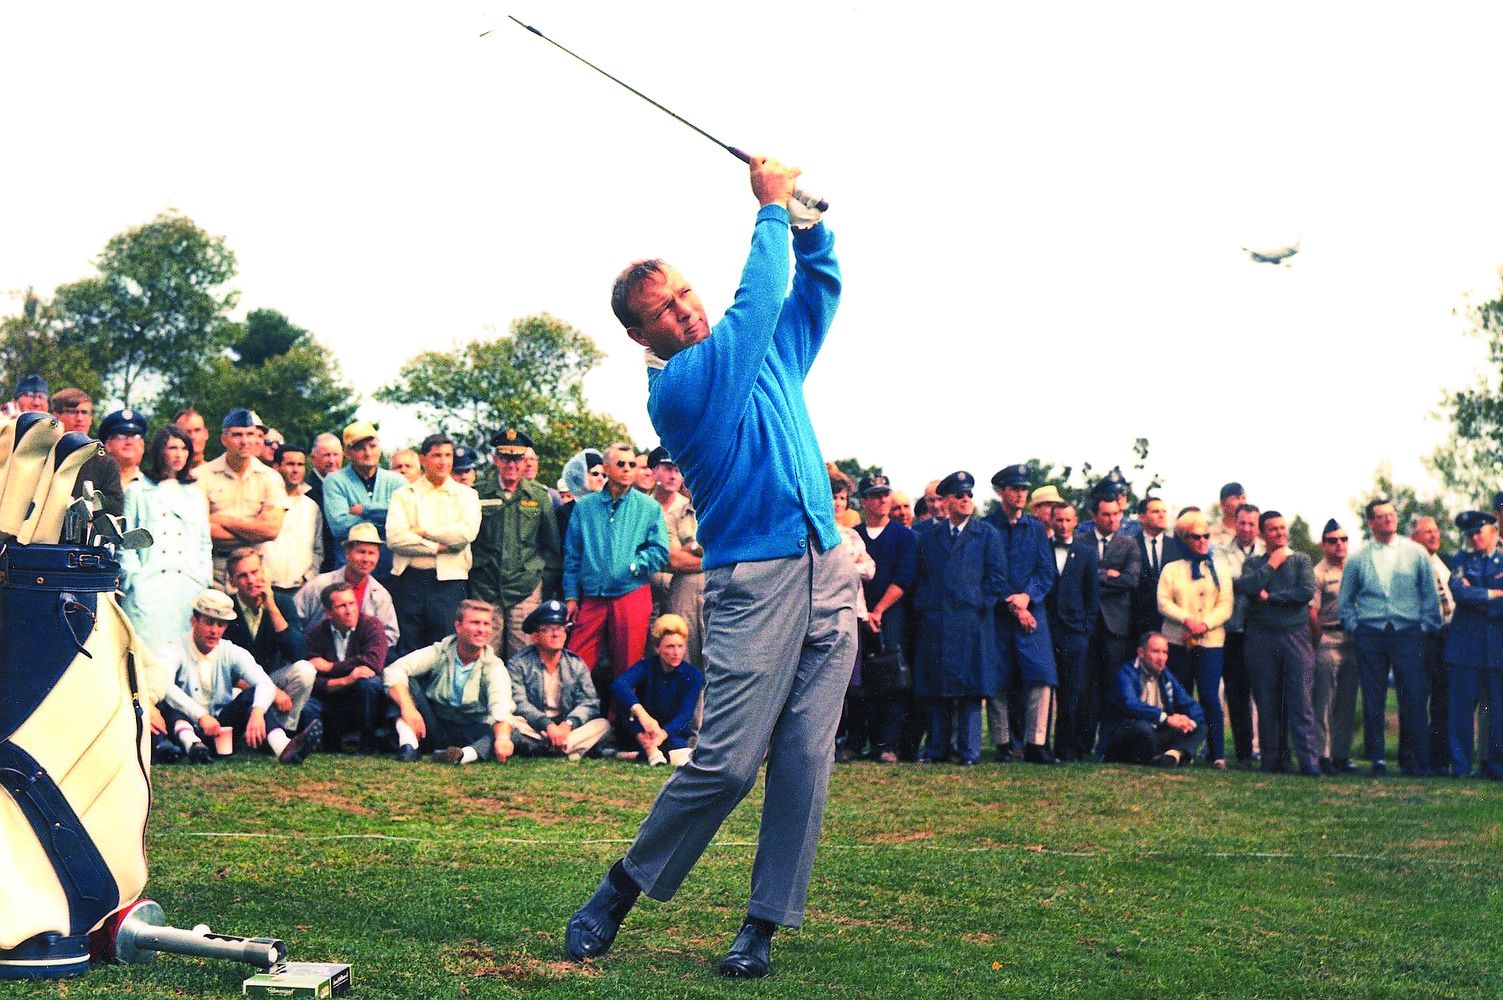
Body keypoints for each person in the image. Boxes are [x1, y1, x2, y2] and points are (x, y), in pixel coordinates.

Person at [565, 156, 853, 979]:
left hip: (827, 566)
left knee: (803, 758)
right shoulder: (685, 385)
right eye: (663, 310)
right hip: (752, 583)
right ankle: (622, 885)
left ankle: (761, 924)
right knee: (725, 762)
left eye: (684, 294)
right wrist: (769, 211)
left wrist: (812, 227)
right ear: (639, 334)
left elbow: (813, 294)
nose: (683, 312)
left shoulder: (760, 351)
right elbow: (759, 300)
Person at [562, 441, 669, 717]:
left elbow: (660, 551)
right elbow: (572, 555)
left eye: (632, 464)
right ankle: (570, 721)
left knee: (629, 664)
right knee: (576, 660)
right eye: (620, 464)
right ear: (606, 469)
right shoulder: (584, 508)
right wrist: (572, 596)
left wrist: (633, 565)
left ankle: (621, 729)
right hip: (593, 596)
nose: (627, 469)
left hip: (631, 593)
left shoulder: (648, 508)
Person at [1338, 498, 1444, 776]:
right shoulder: (1359, 558)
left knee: (1413, 696)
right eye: (1381, 516)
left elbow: (1429, 596)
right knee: (1373, 697)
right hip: (1371, 633)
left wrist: (1424, 627)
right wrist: (1355, 628)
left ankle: (1413, 760)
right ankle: (1377, 758)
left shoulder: (1415, 553)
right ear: (1371, 522)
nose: (1388, 520)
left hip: (1408, 632)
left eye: (1392, 515)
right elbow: (1346, 600)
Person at [156, 590, 321, 765]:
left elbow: (263, 681)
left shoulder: (231, 651)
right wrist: (200, 716)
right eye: (209, 622)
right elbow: (165, 685)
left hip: (220, 727)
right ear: (194, 620)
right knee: (171, 706)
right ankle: (194, 746)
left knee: (251, 696)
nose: (214, 630)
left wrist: (258, 711)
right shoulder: (174, 649)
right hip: (185, 726)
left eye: (221, 625)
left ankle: (283, 746)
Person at [912, 472, 1005, 766]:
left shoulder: (986, 534)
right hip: (938, 622)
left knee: (970, 689)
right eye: (959, 496)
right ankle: (937, 748)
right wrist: (928, 607)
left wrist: (978, 604)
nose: (966, 500)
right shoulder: (929, 535)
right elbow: (921, 577)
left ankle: (969, 751)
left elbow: (997, 578)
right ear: (947, 501)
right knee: (937, 687)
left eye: (969, 495)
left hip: (971, 623)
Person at [1235, 511, 1322, 777]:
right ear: (1262, 534)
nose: (1280, 533)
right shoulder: (1254, 564)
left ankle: (1309, 761)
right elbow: (1247, 587)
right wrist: (1272, 564)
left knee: (1299, 701)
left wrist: (1270, 597)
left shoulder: (1302, 560)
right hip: (1261, 638)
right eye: (1273, 529)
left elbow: (1304, 592)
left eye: (1282, 528)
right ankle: (1272, 760)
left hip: (1295, 636)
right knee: (1266, 700)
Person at [983, 464, 1059, 765]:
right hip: (1001, 615)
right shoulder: (988, 527)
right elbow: (988, 571)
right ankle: (1002, 743)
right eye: (1014, 489)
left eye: (1024, 489)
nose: (1020, 494)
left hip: (1032, 614)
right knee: (998, 678)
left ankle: (1036, 742)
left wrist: (1027, 598)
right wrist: (1012, 604)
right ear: (1002, 492)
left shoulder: (1036, 528)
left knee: (1041, 676)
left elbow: (1045, 570)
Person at [384, 599, 515, 764]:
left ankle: (462, 756)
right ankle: (409, 746)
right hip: (434, 725)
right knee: (403, 686)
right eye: (475, 623)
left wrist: (503, 738)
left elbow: (501, 706)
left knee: (508, 729)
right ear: (458, 626)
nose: (482, 630)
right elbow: (395, 669)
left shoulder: (494, 666)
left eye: (486, 624)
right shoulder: (441, 651)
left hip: (470, 729)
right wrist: (408, 708)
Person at [121, 424, 213, 659]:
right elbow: (127, 541)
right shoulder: (139, 491)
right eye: (173, 447)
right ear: (160, 450)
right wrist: (135, 580)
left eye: (184, 448)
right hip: (150, 587)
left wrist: (203, 578)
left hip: (188, 587)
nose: (179, 454)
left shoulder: (195, 494)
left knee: (184, 657)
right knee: (148, 658)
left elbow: (204, 542)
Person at [470, 427, 563, 660]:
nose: (511, 465)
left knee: (523, 652)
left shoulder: (539, 496)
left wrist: (539, 578)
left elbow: (552, 546)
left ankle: (519, 697)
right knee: (484, 652)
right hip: (486, 586)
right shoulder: (476, 494)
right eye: (505, 458)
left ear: (525, 461)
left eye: (517, 458)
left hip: (525, 587)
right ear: (495, 460)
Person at [386, 433, 482, 655]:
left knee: (445, 647)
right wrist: (436, 547)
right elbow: (396, 538)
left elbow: (464, 534)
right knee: (408, 647)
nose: (443, 461)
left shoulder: (467, 495)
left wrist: (423, 532)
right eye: (437, 455)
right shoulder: (404, 495)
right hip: (410, 580)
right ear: (423, 459)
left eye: (448, 455)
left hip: (448, 583)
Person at [1156, 511, 1233, 768]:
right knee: (1181, 695)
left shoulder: (1219, 569)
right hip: (1177, 641)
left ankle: (1217, 754)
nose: (1202, 541)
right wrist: (1186, 620)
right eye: (1195, 537)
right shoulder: (1172, 569)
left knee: (1210, 696)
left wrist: (1204, 625)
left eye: (1205, 536)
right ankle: (1181, 750)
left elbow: (1226, 605)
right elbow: (1163, 602)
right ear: (1183, 539)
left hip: (1210, 643)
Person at [850, 473, 916, 764]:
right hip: (857, 615)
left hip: (890, 616)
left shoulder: (903, 535)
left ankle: (887, 744)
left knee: (892, 683)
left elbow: (904, 577)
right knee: (858, 682)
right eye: (875, 495)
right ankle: (855, 742)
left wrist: (879, 610)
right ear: (864, 501)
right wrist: (864, 612)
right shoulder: (854, 535)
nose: (882, 500)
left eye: (885, 494)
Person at [222, 548, 317, 735]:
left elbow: (297, 653)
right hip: (241, 686)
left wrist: (272, 608)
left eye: (255, 572)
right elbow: (226, 671)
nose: (251, 580)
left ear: (264, 572)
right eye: (242, 575)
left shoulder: (282, 603)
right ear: (232, 581)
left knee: (305, 671)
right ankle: (249, 734)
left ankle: (284, 730)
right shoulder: (227, 608)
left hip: (273, 678)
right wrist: (269, 690)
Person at [1076, 493, 1141, 760]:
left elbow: (1130, 580)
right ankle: (1081, 744)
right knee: (1085, 688)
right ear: (1094, 517)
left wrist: (1098, 576)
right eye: (1106, 514)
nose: (1112, 519)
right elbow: (1080, 580)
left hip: (1116, 627)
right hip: (1088, 624)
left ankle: (1108, 746)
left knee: (1112, 687)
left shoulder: (1129, 544)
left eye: (1116, 514)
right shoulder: (1082, 542)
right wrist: (1105, 573)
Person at [507, 599, 611, 759]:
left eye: (560, 628)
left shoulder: (576, 664)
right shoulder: (519, 663)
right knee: (509, 722)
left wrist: (568, 724)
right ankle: (568, 749)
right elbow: (519, 702)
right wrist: (547, 725)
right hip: (535, 727)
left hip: (566, 727)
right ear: (535, 637)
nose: (556, 634)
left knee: (603, 725)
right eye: (548, 629)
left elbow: (590, 702)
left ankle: (547, 748)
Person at [195, 407, 287, 587]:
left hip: (255, 571)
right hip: (214, 568)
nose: (245, 441)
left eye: (250, 434)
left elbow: (271, 530)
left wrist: (221, 519)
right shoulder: (201, 476)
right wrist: (254, 530)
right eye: (237, 435)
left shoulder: (271, 478)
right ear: (224, 439)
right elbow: (201, 530)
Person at [1444, 511, 1503, 779]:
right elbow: (1459, 592)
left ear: (1494, 530)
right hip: (1465, 647)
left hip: (1496, 648)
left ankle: (1496, 766)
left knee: (1498, 711)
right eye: (1470, 534)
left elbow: (1470, 596)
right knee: (1461, 711)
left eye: (1479, 531)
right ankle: (1461, 766)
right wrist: (1493, 593)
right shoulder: (1461, 560)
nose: (1474, 537)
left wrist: (1475, 595)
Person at [304, 581, 388, 754]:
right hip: (332, 697)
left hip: (360, 698)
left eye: (352, 603)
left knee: (369, 683)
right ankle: (325, 743)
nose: (350, 610)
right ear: (328, 613)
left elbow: (373, 662)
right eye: (342, 606)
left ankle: (367, 743)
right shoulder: (316, 634)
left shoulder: (372, 625)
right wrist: (346, 679)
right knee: (308, 706)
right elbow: (311, 677)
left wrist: (330, 667)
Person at [612, 614, 706, 766]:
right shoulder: (647, 666)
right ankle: (647, 751)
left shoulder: (693, 675)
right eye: (670, 646)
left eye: (680, 646)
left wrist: (660, 735)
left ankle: (645, 752)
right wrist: (642, 715)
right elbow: (619, 685)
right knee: (626, 707)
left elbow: (684, 715)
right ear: (657, 648)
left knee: (677, 747)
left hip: (670, 733)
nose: (676, 653)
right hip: (643, 729)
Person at [1101, 632, 1206, 767]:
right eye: (1156, 651)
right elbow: (1131, 705)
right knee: (1142, 728)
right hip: (1127, 733)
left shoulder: (1165, 674)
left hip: (1155, 733)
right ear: (1141, 652)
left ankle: (1173, 754)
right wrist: (1166, 718)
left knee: (1199, 727)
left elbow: (1189, 704)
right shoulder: (1125, 674)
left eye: (1165, 652)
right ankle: (1172, 755)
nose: (1161, 658)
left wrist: (1186, 721)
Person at [294, 521, 400, 650]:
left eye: (371, 553)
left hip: (360, 663)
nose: (366, 559)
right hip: (316, 657)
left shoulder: (380, 594)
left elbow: (390, 635)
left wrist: (364, 656)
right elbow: (294, 621)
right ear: (347, 553)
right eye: (361, 552)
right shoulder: (319, 585)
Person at [1047, 504, 1098, 763]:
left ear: (1076, 521)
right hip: (1046, 631)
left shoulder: (1087, 553)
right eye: (1058, 520)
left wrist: (1085, 629)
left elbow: (1092, 596)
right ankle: (1039, 746)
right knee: (1044, 692)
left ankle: (1066, 749)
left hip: (1075, 633)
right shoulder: (1042, 549)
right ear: (1051, 521)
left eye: (1068, 520)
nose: (1063, 525)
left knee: (1071, 693)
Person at [321, 420, 406, 577]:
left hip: (391, 570)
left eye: (372, 446)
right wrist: (386, 517)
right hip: (349, 572)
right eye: (360, 448)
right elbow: (339, 527)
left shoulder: (397, 480)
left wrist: (364, 510)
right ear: (347, 453)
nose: (368, 453)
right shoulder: (334, 481)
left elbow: (404, 519)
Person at [647, 445, 706, 669]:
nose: (673, 475)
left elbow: (702, 549)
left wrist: (694, 553)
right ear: (654, 471)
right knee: (657, 652)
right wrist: (698, 555)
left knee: (691, 648)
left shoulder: (691, 506)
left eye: (678, 470)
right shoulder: (645, 506)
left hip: (686, 588)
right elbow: (674, 559)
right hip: (651, 588)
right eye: (667, 468)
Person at [1216, 502, 1264, 768]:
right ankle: (1244, 753)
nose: (1246, 528)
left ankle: (1269, 751)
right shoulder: (1220, 552)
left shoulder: (1269, 550)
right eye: (1242, 523)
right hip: (1233, 631)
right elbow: (1226, 581)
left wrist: (1245, 583)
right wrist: (1257, 582)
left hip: (1263, 631)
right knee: (1236, 693)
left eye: (1251, 524)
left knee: (1265, 692)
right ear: (1235, 522)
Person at [1309, 520, 1359, 774]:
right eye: (1332, 540)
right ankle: (1322, 755)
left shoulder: (1355, 568)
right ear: (1324, 544)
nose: (1339, 544)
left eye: (1343, 539)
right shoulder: (1319, 573)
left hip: (1353, 639)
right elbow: (1313, 612)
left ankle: (1341, 755)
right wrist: (1319, 639)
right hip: (1328, 637)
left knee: (1347, 702)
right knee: (1324, 701)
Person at [1411, 515, 1456, 772]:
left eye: (1435, 530)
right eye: (1427, 532)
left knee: (1443, 698)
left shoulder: (1444, 562)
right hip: (1423, 637)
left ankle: (1440, 759)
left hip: (1448, 638)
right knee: (1419, 698)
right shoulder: (1411, 565)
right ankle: (1418, 759)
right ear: (1414, 537)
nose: (1433, 535)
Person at [260, 442, 325, 596]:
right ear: (276, 467)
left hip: (300, 589)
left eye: (300, 465)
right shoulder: (261, 501)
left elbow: (318, 549)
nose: (296, 470)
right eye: (290, 464)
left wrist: (308, 577)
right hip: (265, 586)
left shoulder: (311, 507)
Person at [555, 448, 605, 538]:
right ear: (581, 475)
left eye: (604, 475)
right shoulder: (565, 513)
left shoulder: (607, 509)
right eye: (595, 474)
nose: (601, 478)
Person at [100, 408, 148, 492]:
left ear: (142, 446)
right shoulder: (95, 485)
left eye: (135, 437)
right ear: (108, 445)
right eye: (121, 436)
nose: (129, 442)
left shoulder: (154, 488)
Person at [1210, 482, 1246, 550]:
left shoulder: (1254, 532)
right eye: (1236, 498)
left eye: (1243, 498)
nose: (1242, 502)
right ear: (1222, 504)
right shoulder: (1210, 535)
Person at [173, 407, 210, 471]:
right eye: (186, 432)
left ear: (206, 434)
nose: (192, 437)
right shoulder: (165, 478)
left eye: (197, 430)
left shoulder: (221, 476)